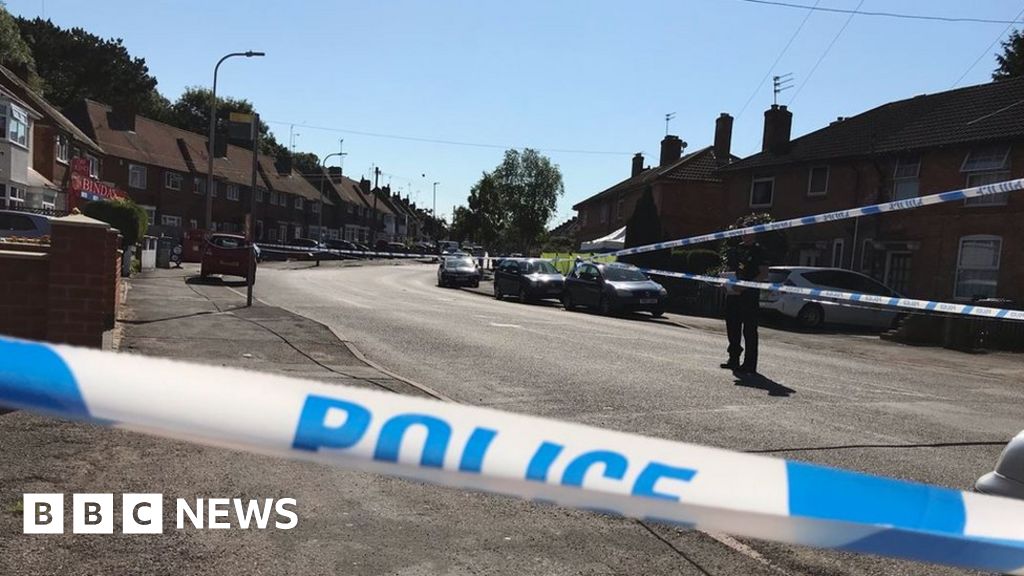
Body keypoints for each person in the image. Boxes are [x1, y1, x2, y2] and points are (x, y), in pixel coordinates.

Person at [721, 233, 767, 374]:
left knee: (749, 330)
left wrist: (745, 286)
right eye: (745, 232)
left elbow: (763, 273)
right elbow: (729, 269)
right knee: (733, 327)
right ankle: (733, 359)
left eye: (750, 232)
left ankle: (749, 364)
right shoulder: (734, 250)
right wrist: (725, 282)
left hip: (749, 295)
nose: (746, 235)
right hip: (733, 293)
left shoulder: (759, 251)